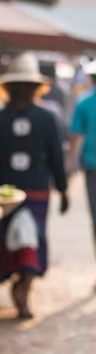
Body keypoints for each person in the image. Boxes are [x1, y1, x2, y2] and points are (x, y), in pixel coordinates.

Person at [0, 52, 68, 320]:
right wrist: (62, 190)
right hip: (20, 194)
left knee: (23, 241)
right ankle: (22, 287)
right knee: (28, 241)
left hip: (19, 194)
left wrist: (62, 189)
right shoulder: (45, 118)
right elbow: (56, 157)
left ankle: (22, 288)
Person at [69, 59, 96, 283]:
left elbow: (76, 136)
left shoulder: (84, 102)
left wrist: (70, 165)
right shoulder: (83, 102)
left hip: (91, 167)